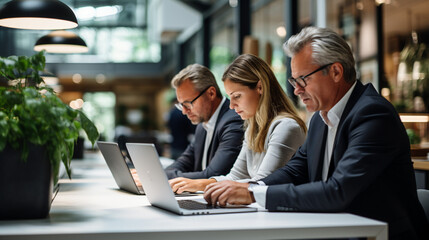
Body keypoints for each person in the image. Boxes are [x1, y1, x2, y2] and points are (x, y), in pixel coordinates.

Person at [203, 27, 429, 240]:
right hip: (337, 230)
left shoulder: (373, 114)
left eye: (303, 79)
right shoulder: (321, 119)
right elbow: (295, 169)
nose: (296, 89)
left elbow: (338, 190)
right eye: (294, 80)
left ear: (336, 71)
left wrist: (252, 195)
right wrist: (252, 187)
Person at [169, 54, 307, 194]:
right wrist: (198, 184)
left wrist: (201, 184)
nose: (232, 105)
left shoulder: (286, 127)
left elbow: (263, 182)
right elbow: (235, 176)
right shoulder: (252, 129)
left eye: (237, 96)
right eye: (230, 97)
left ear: (260, 87)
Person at [164, 64, 244, 179]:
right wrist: (158, 175)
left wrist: (162, 177)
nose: (184, 111)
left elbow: (213, 175)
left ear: (211, 93)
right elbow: (184, 162)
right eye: (182, 105)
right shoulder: (202, 125)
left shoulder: (233, 121)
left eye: (188, 104)